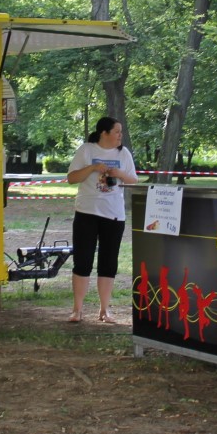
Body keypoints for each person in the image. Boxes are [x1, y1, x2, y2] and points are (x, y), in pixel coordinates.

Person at [66, 116, 139, 323]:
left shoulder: (123, 153)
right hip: (87, 213)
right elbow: (71, 178)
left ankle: (105, 310)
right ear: (104, 133)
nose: (120, 136)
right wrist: (92, 168)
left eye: (121, 132)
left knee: (108, 263)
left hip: (114, 215)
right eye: (117, 131)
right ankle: (77, 310)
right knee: (83, 262)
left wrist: (119, 173)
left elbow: (133, 180)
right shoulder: (87, 150)